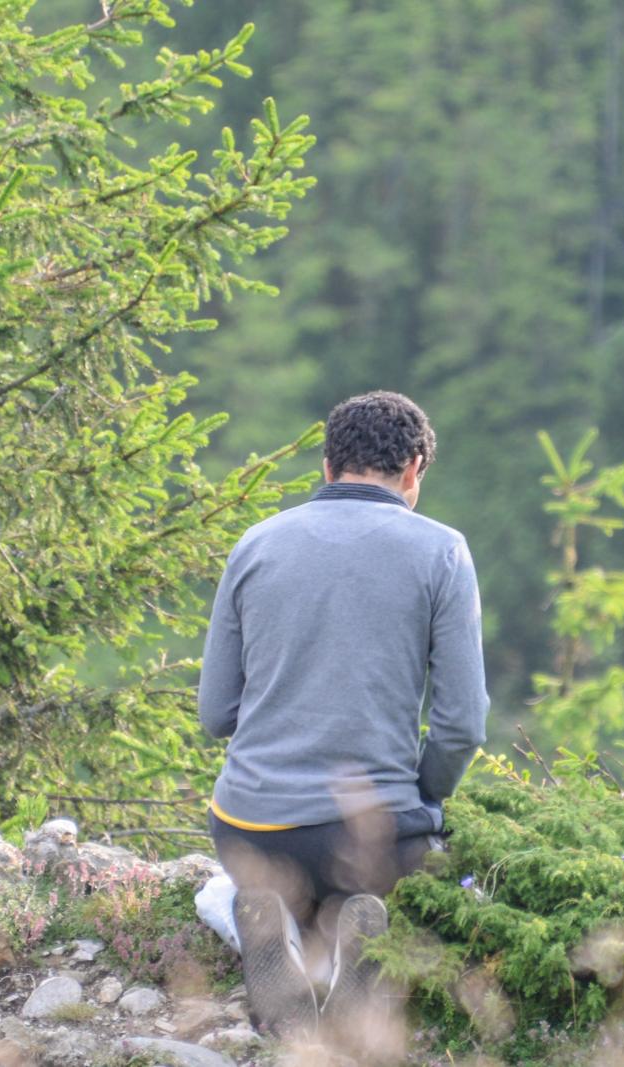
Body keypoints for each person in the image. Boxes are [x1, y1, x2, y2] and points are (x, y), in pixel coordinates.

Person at [197, 390, 490, 1041]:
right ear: (414, 469)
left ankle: (273, 926)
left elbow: (215, 711)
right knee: (426, 884)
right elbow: (462, 723)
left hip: (252, 828)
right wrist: (424, 795)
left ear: (328, 466)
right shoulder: (442, 552)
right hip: (377, 837)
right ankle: (362, 933)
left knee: (236, 885)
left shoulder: (256, 544)